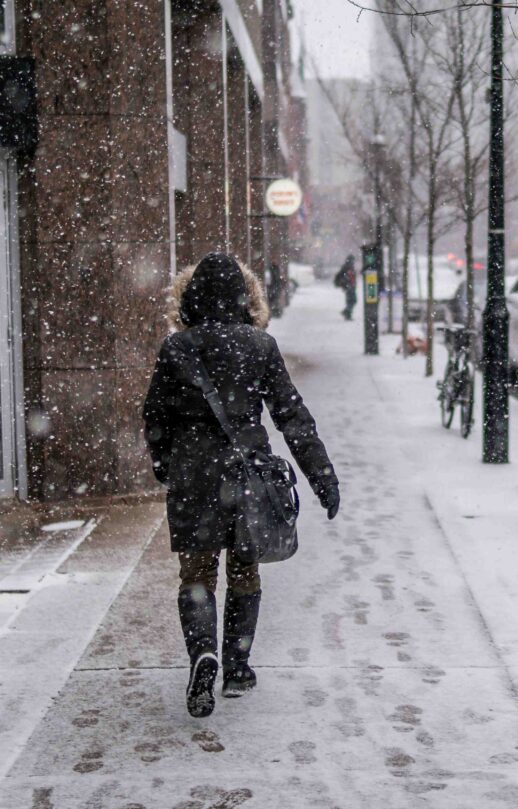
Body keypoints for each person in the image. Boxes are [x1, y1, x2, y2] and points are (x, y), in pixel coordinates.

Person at [143, 253, 340, 718]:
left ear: (189, 299)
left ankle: (202, 655)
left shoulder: (177, 348)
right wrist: (322, 477)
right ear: (244, 297)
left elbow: (155, 414)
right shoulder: (260, 346)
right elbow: (292, 417)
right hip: (246, 473)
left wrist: (164, 462)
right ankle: (236, 666)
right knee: (244, 571)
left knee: (196, 574)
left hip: (194, 476)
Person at [333, 254, 357, 320]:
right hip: (349, 286)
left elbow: (340, 275)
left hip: (348, 286)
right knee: (353, 300)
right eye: (353, 260)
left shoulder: (346, 266)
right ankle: (346, 312)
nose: (353, 261)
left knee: (350, 300)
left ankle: (347, 314)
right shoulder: (348, 267)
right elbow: (349, 276)